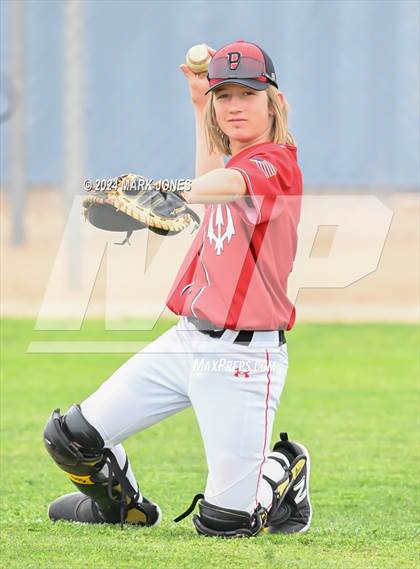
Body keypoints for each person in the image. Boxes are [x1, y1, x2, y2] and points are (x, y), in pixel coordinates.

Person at [43, 40, 312, 538]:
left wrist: (164, 189)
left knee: (225, 524)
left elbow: (231, 183)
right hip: (186, 342)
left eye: (247, 93)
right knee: (70, 438)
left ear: (272, 100)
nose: (234, 105)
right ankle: (123, 508)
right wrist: (196, 103)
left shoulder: (277, 162)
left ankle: (283, 470)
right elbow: (215, 177)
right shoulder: (230, 163)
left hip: (245, 362)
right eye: (224, 95)